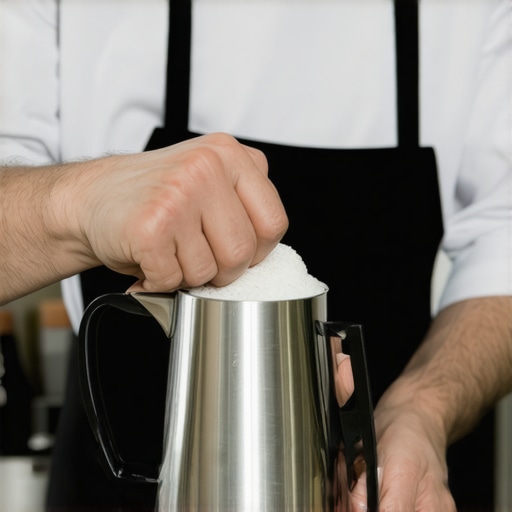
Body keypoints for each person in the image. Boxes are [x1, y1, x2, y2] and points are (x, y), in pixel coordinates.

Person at [1, 0, 511, 511]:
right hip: (119, 486)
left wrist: (425, 406)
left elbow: (503, 234)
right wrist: (78, 199)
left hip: (388, 486)